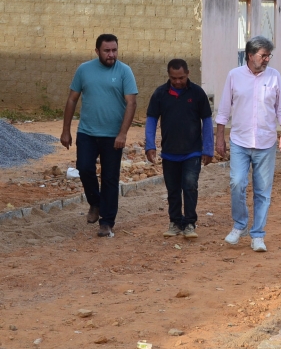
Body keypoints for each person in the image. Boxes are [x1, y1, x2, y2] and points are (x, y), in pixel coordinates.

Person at [215, 36, 281, 252]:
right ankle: (239, 225)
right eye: (263, 55)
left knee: (262, 191)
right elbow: (223, 110)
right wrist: (220, 137)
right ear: (250, 56)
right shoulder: (234, 76)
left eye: (268, 55)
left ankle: (258, 234)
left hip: (266, 142)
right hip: (240, 141)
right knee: (237, 183)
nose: (267, 59)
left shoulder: (274, 76)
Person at [61, 34, 138, 237]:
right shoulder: (84, 70)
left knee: (110, 178)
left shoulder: (124, 71)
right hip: (87, 132)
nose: (111, 54)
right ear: (97, 51)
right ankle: (95, 202)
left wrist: (123, 133)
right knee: (84, 168)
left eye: (114, 50)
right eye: (107, 51)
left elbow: (131, 103)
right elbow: (72, 100)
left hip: (113, 136)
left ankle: (106, 222)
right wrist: (66, 130)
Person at [145, 59, 213, 239]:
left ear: (188, 73)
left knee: (190, 186)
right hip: (169, 152)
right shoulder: (160, 94)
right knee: (173, 189)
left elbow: (206, 121)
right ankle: (175, 222)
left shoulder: (197, 93)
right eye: (173, 78)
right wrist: (149, 145)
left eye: (181, 77)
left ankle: (189, 223)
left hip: (193, 152)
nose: (177, 81)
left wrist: (208, 148)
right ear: (168, 75)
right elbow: (151, 119)